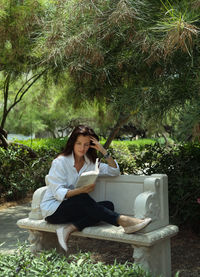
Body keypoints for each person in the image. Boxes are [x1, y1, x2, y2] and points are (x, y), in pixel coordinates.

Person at [40, 125, 151, 252]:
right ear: (72, 143)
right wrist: (82, 190)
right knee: (82, 197)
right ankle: (124, 221)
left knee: (108, 206)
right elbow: (57, 193)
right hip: (53, 210)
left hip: (74, 207)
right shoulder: (60, 162)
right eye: (79, 143)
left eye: (86, 144)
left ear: (91, 145)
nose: (82, 148)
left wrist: (103, 151)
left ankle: (69, 228)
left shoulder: (91, 163)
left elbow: (114, 171)